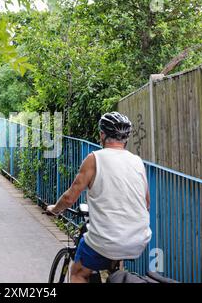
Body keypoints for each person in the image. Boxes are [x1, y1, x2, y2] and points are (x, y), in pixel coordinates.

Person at [46, 112, 151, 283]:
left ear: (102, 135)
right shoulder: (137, 161)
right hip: (139, 238)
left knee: (78, 273)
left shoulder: (94, 159)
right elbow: (146, 203)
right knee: (115, 263)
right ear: (126, 138)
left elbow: (69, 198)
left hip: (107, 240)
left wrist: (55, 209)